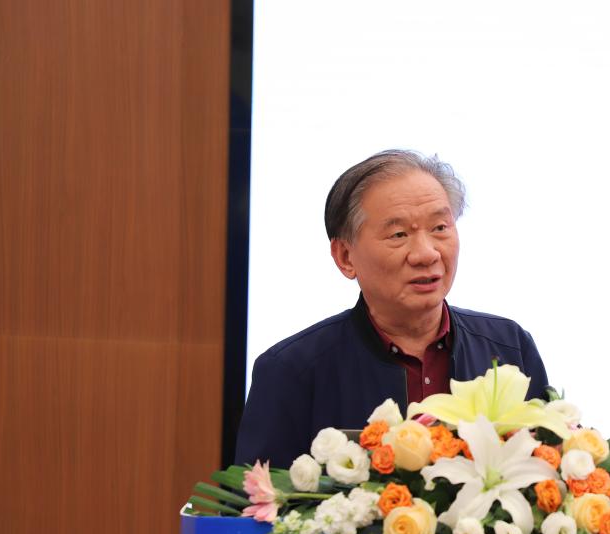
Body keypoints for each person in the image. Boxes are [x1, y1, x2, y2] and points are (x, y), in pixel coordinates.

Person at [235, 150, 549, 468]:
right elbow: (258, 495)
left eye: (440, 227)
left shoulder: (509, 348)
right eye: (399, 234)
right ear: (345, 256)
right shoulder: (292, 371)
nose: (426, 254)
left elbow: (547, 470)